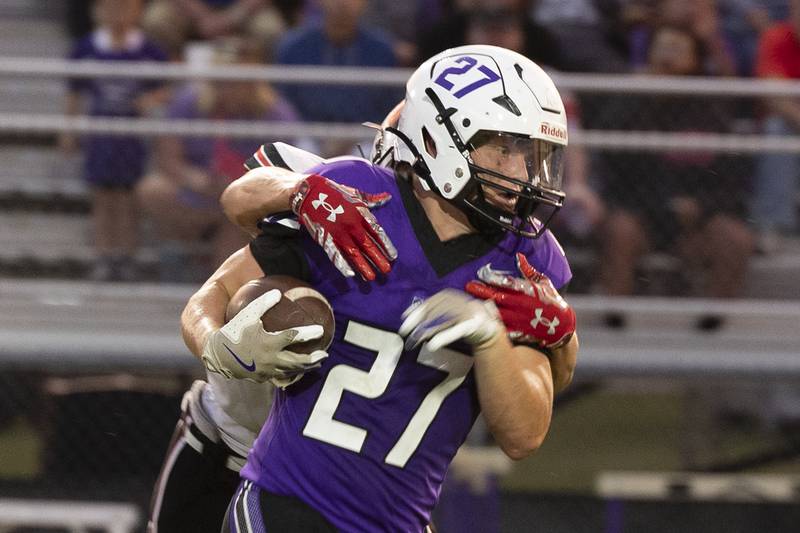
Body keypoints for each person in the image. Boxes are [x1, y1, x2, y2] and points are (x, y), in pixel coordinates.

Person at [190, 44, 578, 531]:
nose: (522, 173)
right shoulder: (355, 194)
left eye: (530, 154)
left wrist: (491, 340)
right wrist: (217, 346)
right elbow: (215, 290)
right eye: (503, 148)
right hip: (287, 506)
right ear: (440, 139)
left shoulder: (525, 260)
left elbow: (524, 436)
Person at [597, 24, 754, 305]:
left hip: (696, 222)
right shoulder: (628, 98)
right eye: (664, 46)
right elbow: (614, 162)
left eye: (679, 48)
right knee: (620, 230)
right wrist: (639, 96)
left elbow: (732, 176)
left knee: (735, 239)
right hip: (641, 216)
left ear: (694, 61)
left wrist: (700, 205)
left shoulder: (711, 109)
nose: (669, 55)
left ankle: (713, 320)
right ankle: (614, 316)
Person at [135, 37, 303, 281]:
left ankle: (220, 289)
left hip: (248, 194)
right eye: (222, 80)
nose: (229, 88)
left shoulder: (276, 113)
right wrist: (197, 180)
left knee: (237, 219)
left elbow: (285, 173)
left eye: (237, 82)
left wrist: (238, 189)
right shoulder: (190, 102)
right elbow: (168, 156)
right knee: (153, 190)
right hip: (200, 189)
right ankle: (185, 256)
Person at [61, 0, 168, 281]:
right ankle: (103, 254)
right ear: (97, 11)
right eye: (111, 8)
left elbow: (166, 85)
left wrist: (149, 100)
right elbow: (74, 92)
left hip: (131, 135)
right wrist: (69, 130)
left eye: (125, 7)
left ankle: (126, 254)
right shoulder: (87, 48)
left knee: (127, 197)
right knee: (103, 196)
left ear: (138, 12)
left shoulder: (146, 49)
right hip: (100, 134)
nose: (117, 14)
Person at [274, 0, 400, 155]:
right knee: (300, 150)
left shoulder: (382, 49)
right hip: (306, 134)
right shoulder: (293, 47)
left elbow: (389, 107)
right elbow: (285, 103)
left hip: (363, 137)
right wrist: (320, 135)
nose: (343, 3)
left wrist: (351, 136)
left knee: (371, 154)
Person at [750, 0, 800, 250]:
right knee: (777, 129)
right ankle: (771, 223)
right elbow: (775, 97)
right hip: (791, 127)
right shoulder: (776, 37)